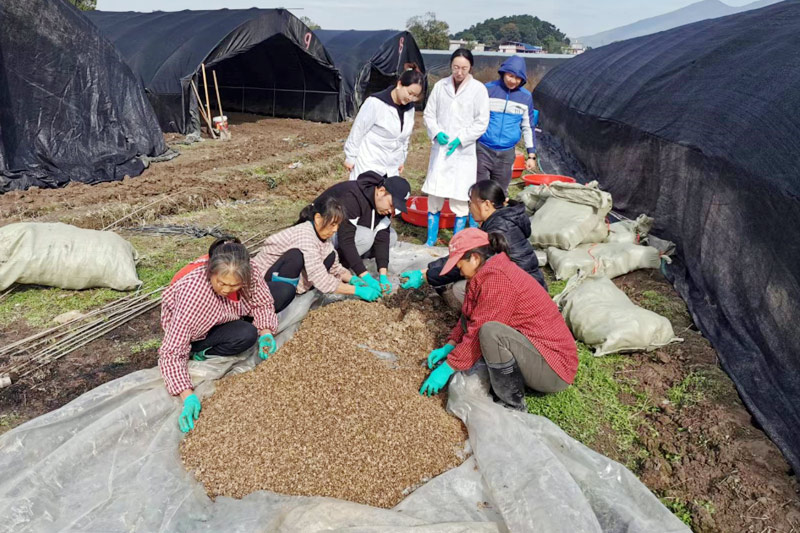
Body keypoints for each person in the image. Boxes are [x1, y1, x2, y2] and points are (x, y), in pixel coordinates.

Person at [418, 229, 578, 411]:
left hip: (554, 368)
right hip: (533, 351)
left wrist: (448, 367)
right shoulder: (484, 273)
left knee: (490, 332)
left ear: (475, 258)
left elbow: (479, 330)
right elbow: (469, 314)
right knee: (481, 324)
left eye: (459, 264)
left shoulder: (498, 280)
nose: (459, 271)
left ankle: (511, 401)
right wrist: (452, 343)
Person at [159, 238, 278, 433]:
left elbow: (263, 302)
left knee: (283, 292)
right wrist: (187, 396)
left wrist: (266, 331)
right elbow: (171, 352)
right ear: (211, 272)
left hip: (228, 314)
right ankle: (202, 351)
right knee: (246, 334)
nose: (226, 289)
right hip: (198, 332)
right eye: (221, 283)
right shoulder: (194, 294)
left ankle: (241, 323)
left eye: (234, 285)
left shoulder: (249, 270)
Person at [400, 180, 546, 307]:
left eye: (471, 202)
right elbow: (463, 255)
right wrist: (427, 270)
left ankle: (484, 318)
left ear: (486, 205)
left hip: (522, 294)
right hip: (534, 285)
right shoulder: (506, 219)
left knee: (460, 288)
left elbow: (466, 264)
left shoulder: (497, 229)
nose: (469, 206)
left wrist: (426, 276)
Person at [252, 197, 382, 309]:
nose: (336, 229)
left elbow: (334, 267)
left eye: (338, 225)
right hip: (262, 283)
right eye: (333, 224)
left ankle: (296, 292)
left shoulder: (323, 236)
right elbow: (320, 279)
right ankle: (277, 303)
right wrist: (357, 290)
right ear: (318, 218)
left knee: (330, 256)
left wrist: (353, 279)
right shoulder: (305, 235)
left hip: (284, 276)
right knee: (295, 256)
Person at [422, 48, 490, 245]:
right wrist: (436, 132)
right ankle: (430, 240)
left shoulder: (478, 90)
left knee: (460, 197)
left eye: (464, 68)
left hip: (463, 152)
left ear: (471, 68)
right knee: (434, 194)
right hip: (441, 150)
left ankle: (457, 241)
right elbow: (429, 114)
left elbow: (481, 121)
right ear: (450, 66)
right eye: (455, 67)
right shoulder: (440, 86)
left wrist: (461, 139)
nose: (459, 72)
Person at [313, 170, 411, 296]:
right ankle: (337, 266)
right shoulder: (352, 197)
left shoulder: (382, 206)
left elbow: (382, 238)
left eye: (395, 208)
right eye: (392, 205)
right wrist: (365, 277)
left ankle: (353, 261)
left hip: (347, 234)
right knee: (366, 237)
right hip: (321, 234)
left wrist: (383, 274)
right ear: (381, 191)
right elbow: (346, 239)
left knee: (391, 236)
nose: (391, 210)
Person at [343, 65, 425, 180]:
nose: (410, 98)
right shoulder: (376, 103)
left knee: (387, 196)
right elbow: (358, 130)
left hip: (391, 168)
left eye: (415, 96)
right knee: (365, 196)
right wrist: (350, 157)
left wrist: (401, 159)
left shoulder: (409, 109)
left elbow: (404, 138)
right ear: (400, 84)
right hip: (368, 164)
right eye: (409, 93)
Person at [476, 55, 539, 193]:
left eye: (518, 78)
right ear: (503, 73)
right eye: (510, 75)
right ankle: (475, 214)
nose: (513, 81)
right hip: (483, 148)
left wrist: (531, 155)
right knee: (480, 189)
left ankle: (498, 214)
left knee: (500, 191)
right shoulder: (488, 89)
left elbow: (528, 127)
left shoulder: (525, 97)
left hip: (507, 152)